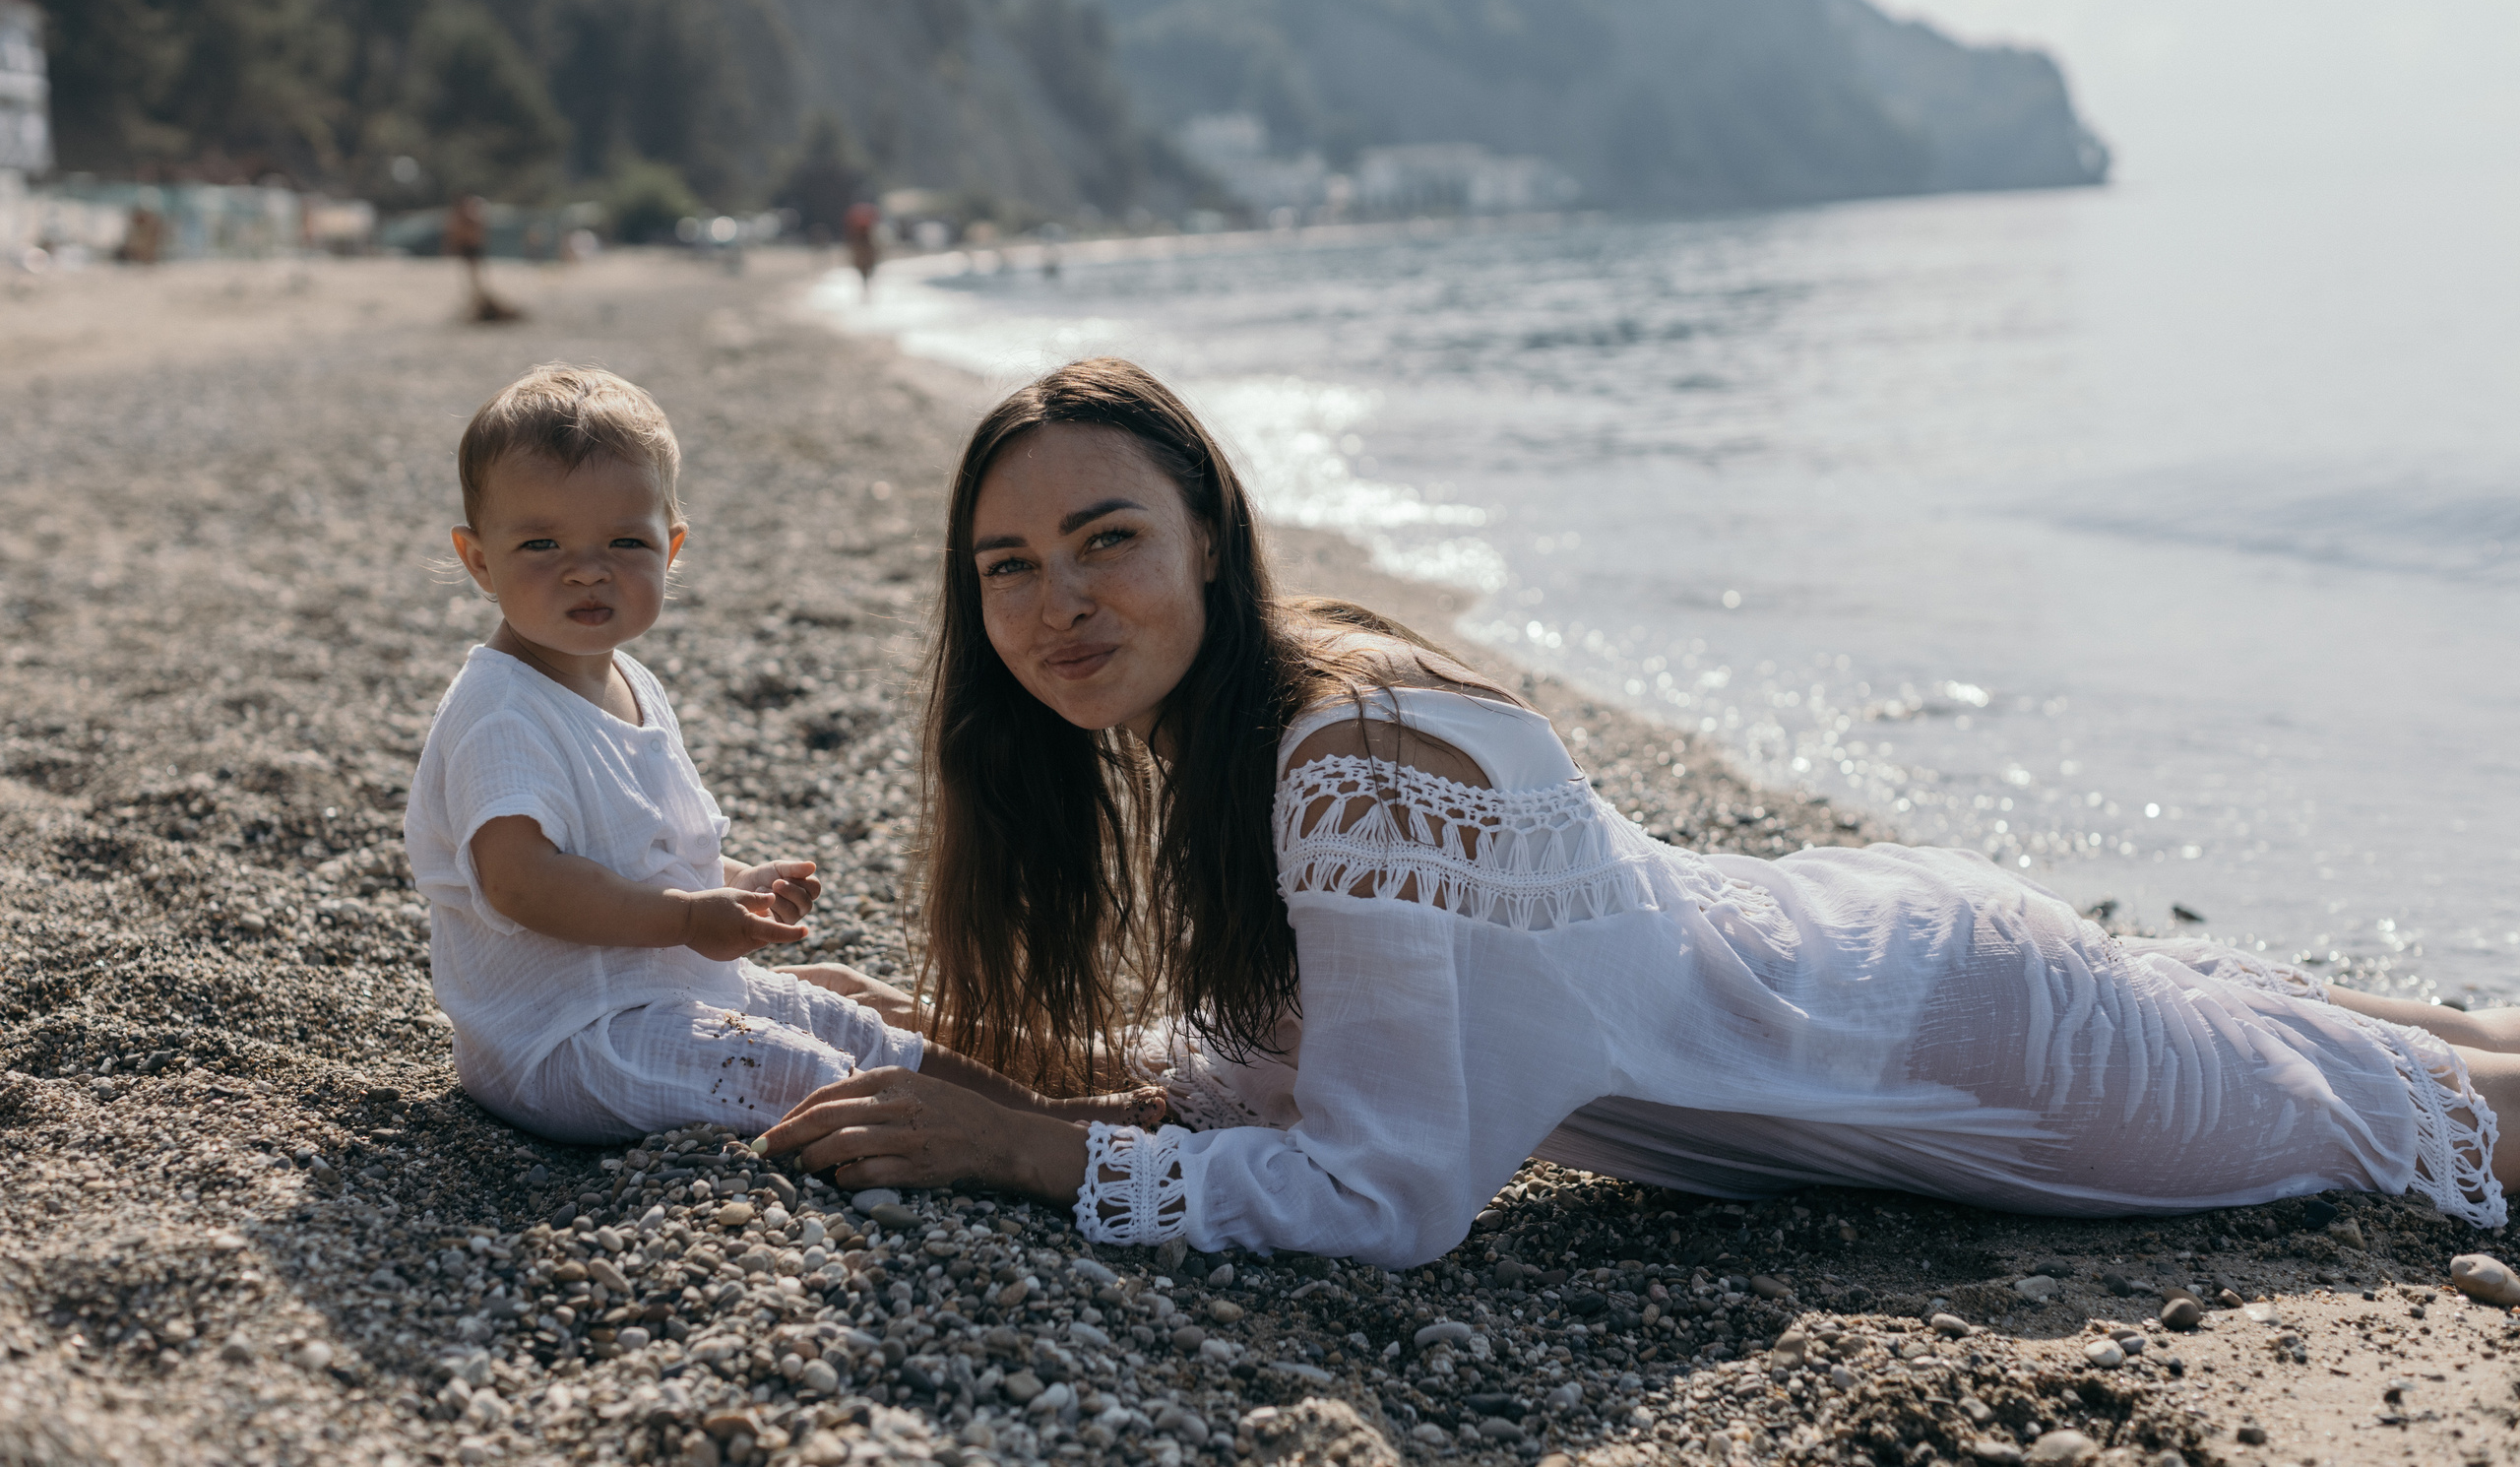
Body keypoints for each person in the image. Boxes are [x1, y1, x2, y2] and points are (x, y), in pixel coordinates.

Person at [762, 356, 2516, 1268]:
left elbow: (1395, 1187)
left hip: (1977, 1058)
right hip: (1879, 960)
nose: (1059, 600)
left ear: (1207, 534)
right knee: (2427, 1046)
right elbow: (1362, 1043)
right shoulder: (1250, 723)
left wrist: (1034, 1148)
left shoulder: (1343, 756)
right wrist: (1036, 1056)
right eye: (1010, 566)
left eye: (1107, 540)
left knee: (2451, 1129)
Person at [404, 363, 1154, 1144]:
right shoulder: (501, 711)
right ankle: (997, 1130)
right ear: (479, 560)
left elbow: (639, 853)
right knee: (788, 1064)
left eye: (626, 540)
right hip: (564, 1040)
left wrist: (735, 887)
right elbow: (520, 880)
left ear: (672, 547)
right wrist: (689, 917)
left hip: (662, 989)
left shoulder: (630, 680)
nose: (587, 568)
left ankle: (1044, 1116)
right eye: (541, 542)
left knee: (845, 1019)